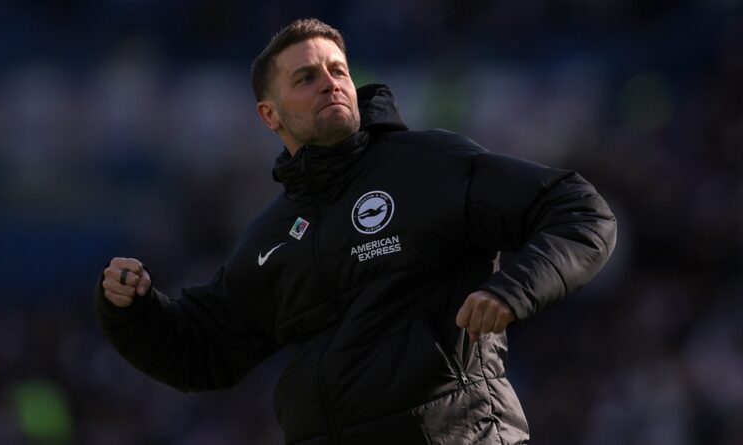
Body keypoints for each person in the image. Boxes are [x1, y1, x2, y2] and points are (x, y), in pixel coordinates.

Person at [96, 18, 617, 445]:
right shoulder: (270, 235)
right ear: (269, 115)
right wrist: (131, 310)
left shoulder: (429, 164)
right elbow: (201, 352)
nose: (330, 82)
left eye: (337, 69)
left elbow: (579, 210)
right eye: (306, 77)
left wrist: (516, 287)